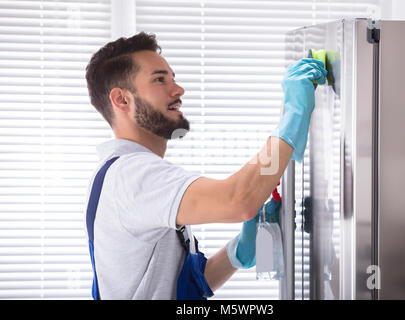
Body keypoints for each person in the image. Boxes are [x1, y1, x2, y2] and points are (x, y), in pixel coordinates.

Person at [84, 32, 326, 300]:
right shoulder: (132, 175)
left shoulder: (124, 174)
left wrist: (238, 253)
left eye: (173, 78)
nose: (178, 90)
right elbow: (239, 200)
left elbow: (183, 286)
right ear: (122, 99)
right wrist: (293, 116)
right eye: (160, 79)